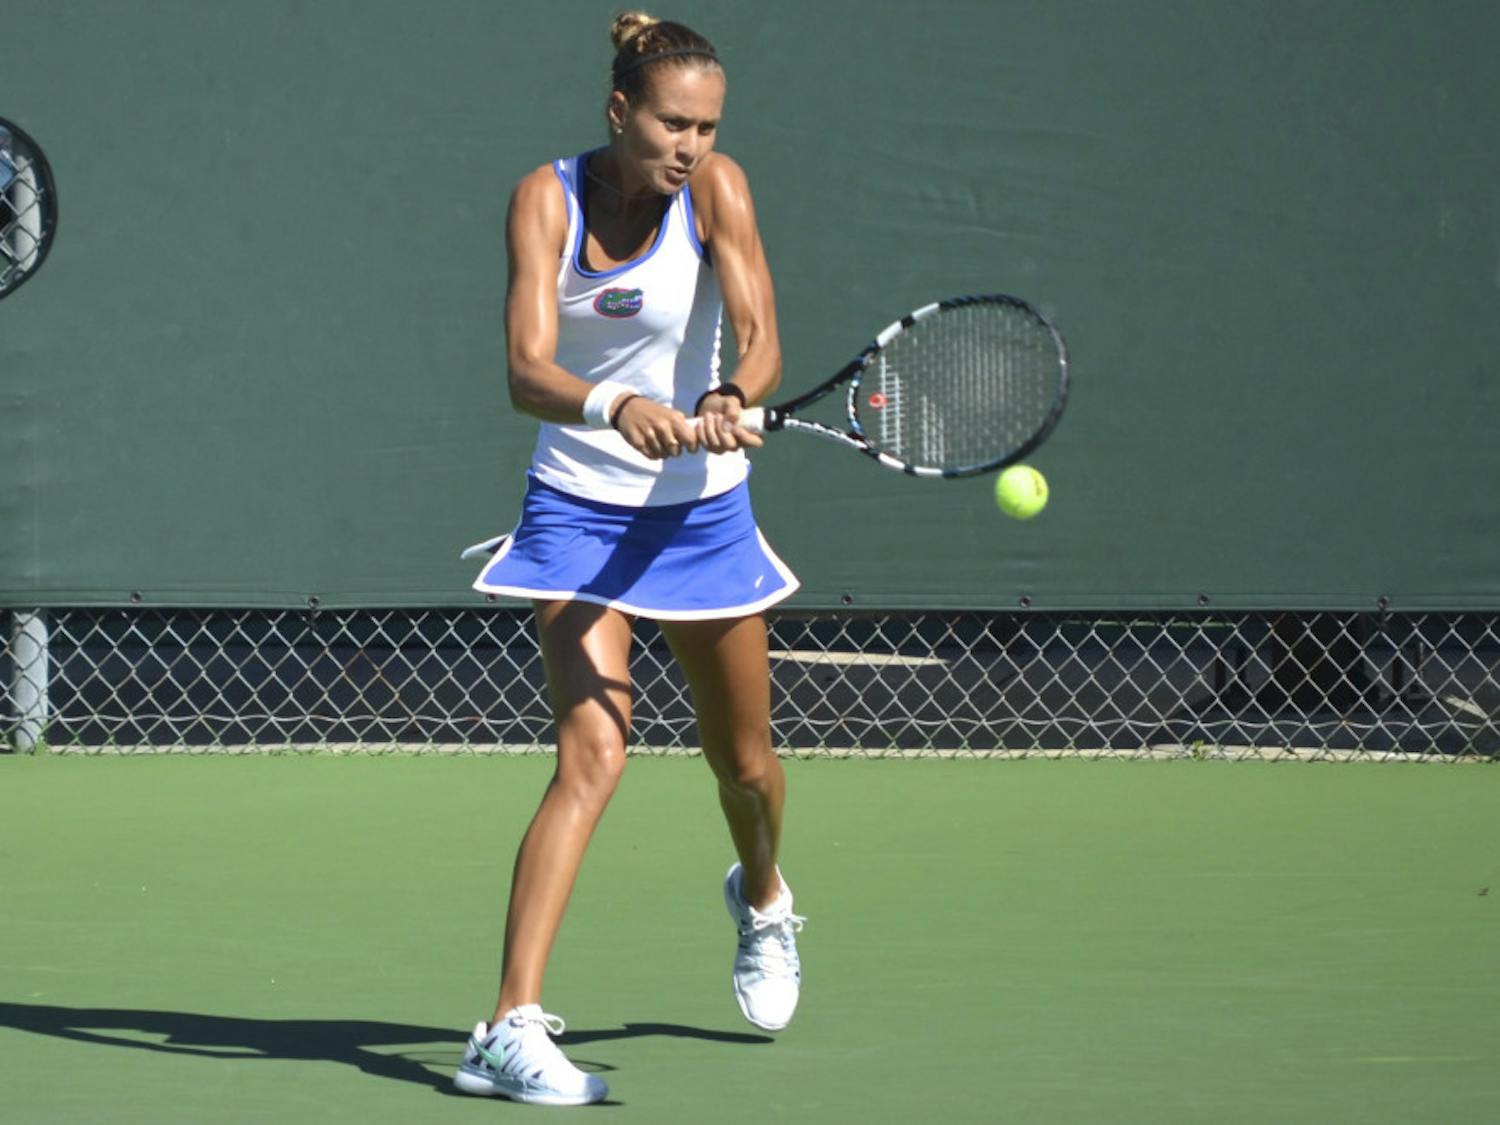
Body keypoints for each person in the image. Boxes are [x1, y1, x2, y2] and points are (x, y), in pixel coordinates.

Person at [453, 12, 805, 1108]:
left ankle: (762, 900)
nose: (690, 145)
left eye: (707, 126)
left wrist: (726, 396)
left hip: (701, 518)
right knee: (593, 754)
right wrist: (618, 403)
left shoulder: (719, 191)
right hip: (576, 510)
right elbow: (525, 370)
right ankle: (507, 1027)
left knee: (743, 766)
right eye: (672, 123)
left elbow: (759, 334)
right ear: (620, 111)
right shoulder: (544, 198)